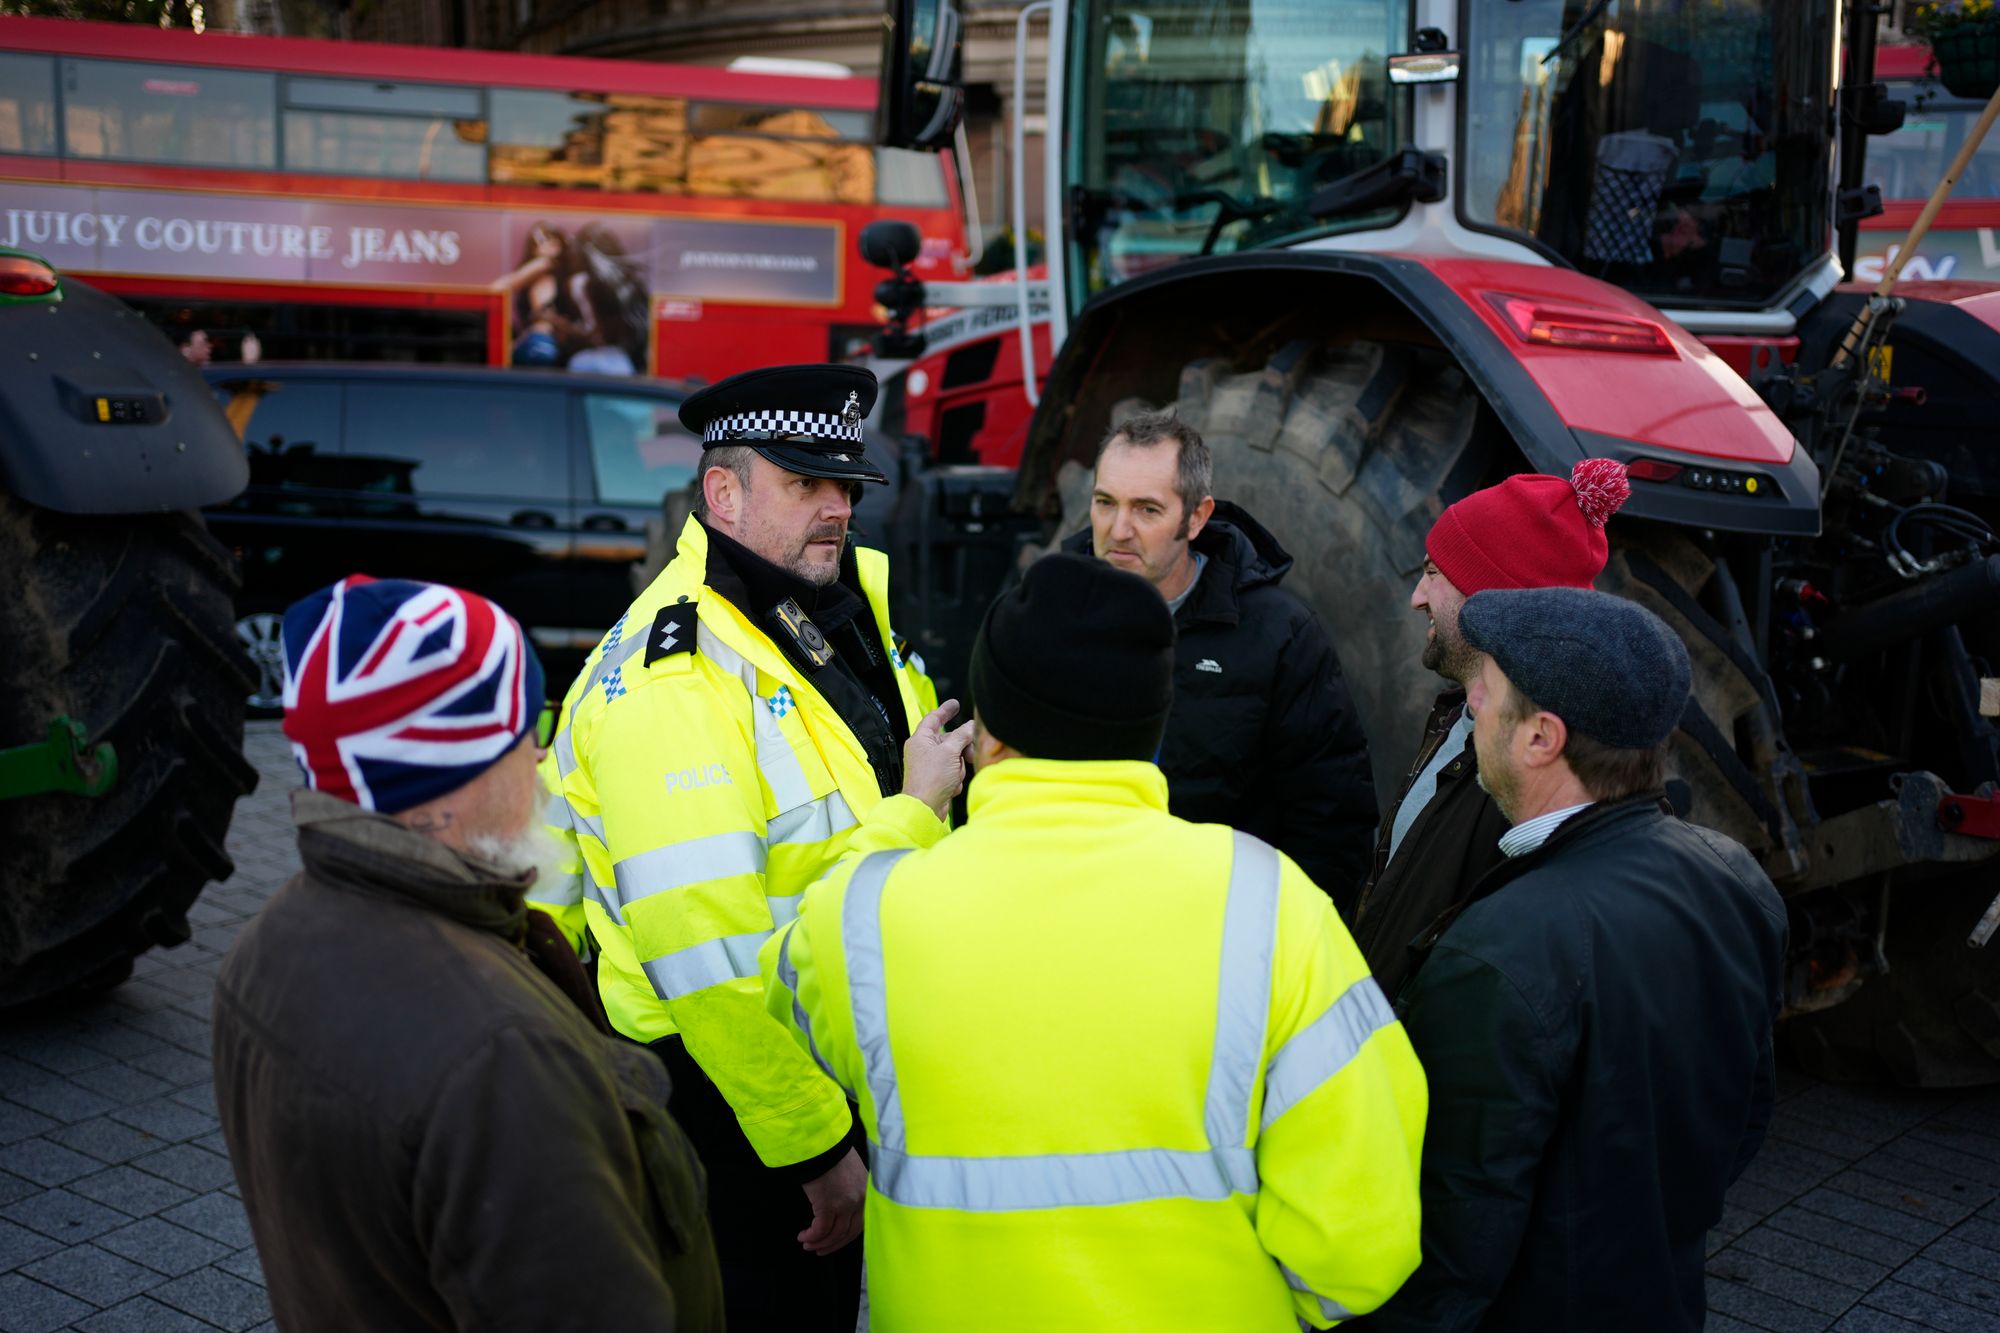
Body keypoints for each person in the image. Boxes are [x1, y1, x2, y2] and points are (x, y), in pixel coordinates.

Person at [761, 553, 1429, 1332]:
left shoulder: (868, 914)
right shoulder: (1271, 904)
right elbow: (1362, 1235)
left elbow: (786, 982)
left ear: (988, 732)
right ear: (1151, 724)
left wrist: (908, 811)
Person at [536, 362, 973, 1330]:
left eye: (844, 485)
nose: (835, 509)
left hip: (812, 1045)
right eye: (803, 483)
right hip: (731, 1090)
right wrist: (814, 1151)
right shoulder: (677, 683)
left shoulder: (825, 603)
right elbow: (706, 955)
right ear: (722, 492)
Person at [212, 575, 722, 1333]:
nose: (543, 756)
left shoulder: (262, 947)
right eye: (525, 733)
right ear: (442, 786)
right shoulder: (503, 1060)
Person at [1363, 586, 1786, 1332]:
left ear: (1541, 738)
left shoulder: (1497, 953)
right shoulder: (1736, 881)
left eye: (1484, 695)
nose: (1470, 712)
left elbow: (1454, 1242)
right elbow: (1746, 1116)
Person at [1064, 409, 1377, 898]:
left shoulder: (1282, 637)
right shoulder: (1046, 615)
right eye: (1105, 502)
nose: (1118, 529)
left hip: (1216, 938)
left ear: (1197, 517)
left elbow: (1331, 826)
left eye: (1147, 510)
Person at [1349, 459, 1630, 993]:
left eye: (1433, 573)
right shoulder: (1462, 719)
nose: (1415, 596)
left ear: (1491, 602)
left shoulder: (1533, 781)